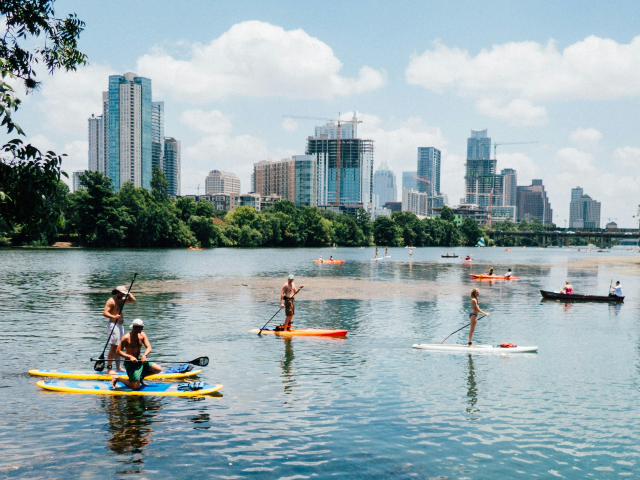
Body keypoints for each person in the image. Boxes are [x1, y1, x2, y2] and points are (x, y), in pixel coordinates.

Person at [111, 319, 161, 390]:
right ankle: (117, 378)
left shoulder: (142, 335)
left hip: (140, 361)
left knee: (158, 369)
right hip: (131, 364)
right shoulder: (126, 337)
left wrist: (144, 355)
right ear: (134, 327)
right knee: (136, 387)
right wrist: (130, 357)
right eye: (141, 327)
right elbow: (118, 351)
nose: (142, 329)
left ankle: (140, 378)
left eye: (143, 327)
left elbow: (149, 347)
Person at [103, 285, 136, 375]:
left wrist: (128, 293)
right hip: (113, 325)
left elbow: (133, 300)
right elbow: (105, 312)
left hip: (120, 326)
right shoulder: (111, 301)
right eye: (121, 293)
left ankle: (118, 367)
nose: (123, 295)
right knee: (113, 347)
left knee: (119, 347)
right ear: (117, 292)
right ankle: (109, 369)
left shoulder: (122, 300)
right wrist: (113, 316)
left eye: (123, 294)